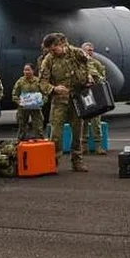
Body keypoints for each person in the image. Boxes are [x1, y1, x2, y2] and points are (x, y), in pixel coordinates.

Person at [39, 33, 98, 172]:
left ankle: (77, 161)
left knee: (77, 131)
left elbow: (90, 64)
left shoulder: (77, 53)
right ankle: (53, 162)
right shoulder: (48, 60)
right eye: (50, 51)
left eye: (54, 49)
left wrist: (90, 76)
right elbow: (42, 82)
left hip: (77, 98)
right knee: (56, 134)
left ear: (61, 44)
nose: (53, 53)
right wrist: (53, 88)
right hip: (59, 100)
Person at [80, 42, 108, 155]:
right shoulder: (79, 64)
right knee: (84, 120)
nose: (90, 52)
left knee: (96, 121)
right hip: (84, 94)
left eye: (91, 50)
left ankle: (98, 146)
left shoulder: (97, 64)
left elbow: (103, 78)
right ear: (82, 51)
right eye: (88, 50)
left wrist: (96, 78)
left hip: (95, 94)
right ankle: (83, 145)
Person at [11, 63, 44, 140]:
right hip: (23, 109)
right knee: (22, 127)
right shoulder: (20, 81)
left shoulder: (38, 81)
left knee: (38, 127)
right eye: (25, 70)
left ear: (33, 71)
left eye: (28, 70)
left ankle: (40, 144)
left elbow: (44, 93)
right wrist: (19, 102)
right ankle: (21, 144)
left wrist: (42, 102)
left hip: (36, 108)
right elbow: (14, 94)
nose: (26, 72)